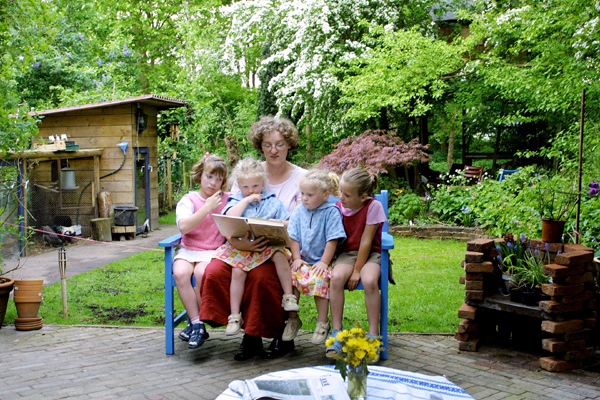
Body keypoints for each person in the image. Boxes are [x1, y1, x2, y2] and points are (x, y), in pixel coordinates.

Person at [199, 116, 308, 360]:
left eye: (279, 144)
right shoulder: (248, 172)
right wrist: (238, 242)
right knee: (215, 271)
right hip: (242, 246)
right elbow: (232, 218)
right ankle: (239, 325)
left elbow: (302, 223)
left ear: (289, 144)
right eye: (267, 144)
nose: (273, 150)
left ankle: (265, 332)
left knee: (260, 277)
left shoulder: (302, 178)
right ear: (260, 146)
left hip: (280, 247)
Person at [212, 157, 299, 336]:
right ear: (238, 185)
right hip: (242, 248)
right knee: (237, 271)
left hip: (268, 246)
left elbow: (290, 223)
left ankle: (288, 297)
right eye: (245, 187)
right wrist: (246, 200)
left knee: (280, 256)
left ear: (263, 183)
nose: (250, 190)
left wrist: (278, 223)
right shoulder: (236, 200)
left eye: (255, 186)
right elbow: (229, 218)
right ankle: (235, 316)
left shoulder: (272, 201)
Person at [326, 168, 387, 358]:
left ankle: (373, 336)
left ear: (363, 197)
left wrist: (357, 271)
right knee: (336, 277)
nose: (341, 196)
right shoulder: (337, 207)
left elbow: (366, 241)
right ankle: (337, 333)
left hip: (371, 254)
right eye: (341, 191)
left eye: (347, 194)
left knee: (369, 280)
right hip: (347, 254)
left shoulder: (373, 206)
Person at [173, 154, 230, 349]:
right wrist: (207, 207)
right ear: (200, 176)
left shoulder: (227, 199)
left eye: (219, 179)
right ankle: (197, 323)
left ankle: (195, 324)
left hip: (212, 251)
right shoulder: (189, 200)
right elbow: (184, 227)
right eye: (209, 176)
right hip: (188, 249)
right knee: (180, 272)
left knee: (201, 273)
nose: (213, 183)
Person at [284, 169, 347, 345]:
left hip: (323, 260)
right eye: (302, 193)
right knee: (291, 278)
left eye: (309, 195)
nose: (304, 198)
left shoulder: (331, 212)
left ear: (325, 195)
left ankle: (322, 322)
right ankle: (292, 319)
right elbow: (294, 237)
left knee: (320, 280)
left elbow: (332, 239)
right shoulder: (299, 210)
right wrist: (296, 258)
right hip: (303, 259)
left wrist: (324, 262)